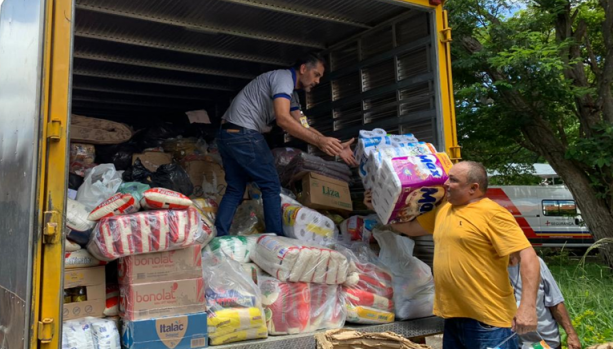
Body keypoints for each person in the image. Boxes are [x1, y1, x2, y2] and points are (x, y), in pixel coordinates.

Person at [390, 161, 540, 349]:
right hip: (453, 319)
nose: (445, 184)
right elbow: (410, 228)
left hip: (488, 323)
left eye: (453, 180)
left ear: (473, 188)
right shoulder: (444, 210)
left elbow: (529, 257)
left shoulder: (492, 213)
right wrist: (382, 206)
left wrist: (528, 308)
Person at [214, 54, 357, 237]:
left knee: (235, 188)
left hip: (228, 134)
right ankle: (275, 239)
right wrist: (320, 143)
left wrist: (332, 144)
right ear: (303, 68)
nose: (318, 81)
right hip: (244, 133)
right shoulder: (283, 79)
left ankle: (219, 236)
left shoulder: (292, 95)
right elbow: (283, 120)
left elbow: (301, 125)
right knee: (271, 185)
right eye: (316, 74)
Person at [508, 254, 581, 349]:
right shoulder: (489, 268)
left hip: (545, 342)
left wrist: (571, 334)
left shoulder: (534, 262)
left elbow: (555, 301)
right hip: (511, 342)